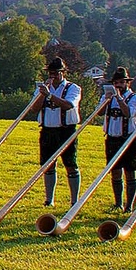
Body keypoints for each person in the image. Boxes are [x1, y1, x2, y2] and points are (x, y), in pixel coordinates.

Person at [33, 56, 82, 207]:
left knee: (70, 164)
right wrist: (43, 94)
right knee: (48, 165)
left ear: (63, 73)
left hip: (66, 131)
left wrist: (50, 95)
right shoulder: (42, 88)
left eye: (56, 72)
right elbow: (34, 108)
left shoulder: (73, 88)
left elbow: (68, 105)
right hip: (47, 131)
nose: (52, 76)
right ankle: (49, 200)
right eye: (50, 72)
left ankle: (74, 201)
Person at [98, 68, 136, 211]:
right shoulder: (108, 97)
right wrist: (107, 100)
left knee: (130, 172)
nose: (118, 85)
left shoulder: (135, 99)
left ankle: (129, 205)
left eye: (121, 82)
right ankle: (118, 203)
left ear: (127, 83)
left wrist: (119, 98)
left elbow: (128, 113)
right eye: (115, 83)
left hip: (129, 139)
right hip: (112, 138)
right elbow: (100, 112)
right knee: (115, 171)